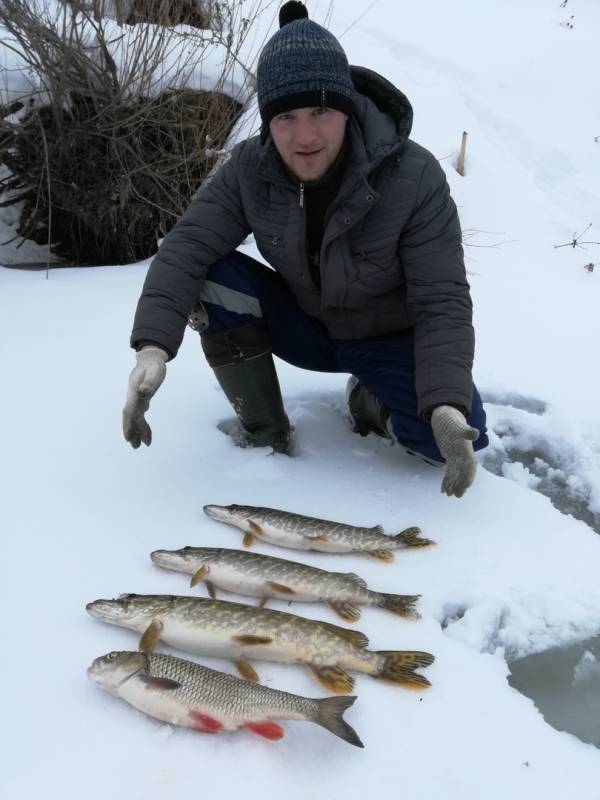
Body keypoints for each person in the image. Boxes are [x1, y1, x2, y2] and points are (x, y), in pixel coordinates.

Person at [123, 0, 489, 498]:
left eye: (320, 111)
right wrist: (153, 346)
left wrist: (445, 403)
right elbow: (185, 247)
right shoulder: (249, 169)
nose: (305, 136)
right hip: (305, 326)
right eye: (286, 117)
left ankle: (369, 401)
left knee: (452, 437)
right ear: (268, 121)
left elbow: (441, 297)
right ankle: (264, 432)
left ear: (346, 105)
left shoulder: (414, 175)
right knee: (209, 273)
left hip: (387, 338)